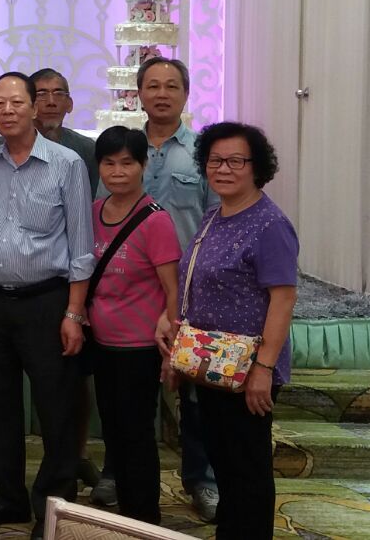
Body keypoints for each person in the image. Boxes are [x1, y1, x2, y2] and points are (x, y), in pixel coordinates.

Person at [0, 73, 94, 538]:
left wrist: (74, 312)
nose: (7, 111)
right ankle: (9, 498)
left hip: (47, 302)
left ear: (34, 107)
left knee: (56, 409)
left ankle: (53, 506)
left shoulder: (67, 163)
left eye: (16, 102)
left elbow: (81, 244)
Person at [161, 122, 297, 540]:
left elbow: (283, 299)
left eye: (236, 161)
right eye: (215, 160)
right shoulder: (213, 217)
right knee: (224, 463)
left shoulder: (269, 224)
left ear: (257, 167)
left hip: (248, 368)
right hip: (211, 364)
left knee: (248, 469)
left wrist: (263, 369)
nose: (224, 169)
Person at [138, 56, 220, 521]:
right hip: (130, 290)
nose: (162, 94)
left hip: (189, 288)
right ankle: (118, 470)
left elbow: (216, 218)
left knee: (194, 391)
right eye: (153, 85)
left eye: (171, 86)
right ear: (139, 94)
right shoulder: (125, 148)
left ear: (186, 94)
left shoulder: (203, 151)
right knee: (129, 388)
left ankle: (201, 479)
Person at [86, 126, 178, 524]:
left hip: (140, 348)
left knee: (137, 434)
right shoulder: (93, 212)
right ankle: (125, 515)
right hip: (101, 344)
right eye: (109, 163)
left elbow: (173, 290)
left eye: (127, 163)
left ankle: (144, 518)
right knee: (113, 432)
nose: (118, 172)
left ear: (143, 165)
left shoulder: (156, 220)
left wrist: (170, 349)